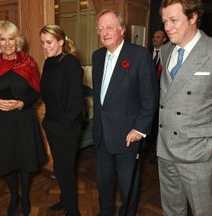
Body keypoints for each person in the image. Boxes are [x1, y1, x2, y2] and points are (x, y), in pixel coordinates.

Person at [157, 0, 212, 216]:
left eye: (174, 20)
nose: (167, 27)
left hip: (198, 154)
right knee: (172, 211)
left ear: (194, 16)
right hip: (164, 150)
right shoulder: (166, 50)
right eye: (164, 21)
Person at [0, 20, 47, 216]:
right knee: (7, 163)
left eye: (11, 39)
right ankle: (14, 195)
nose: (7, 44)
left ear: (17, 41)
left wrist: (22, 103)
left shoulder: (27, 62)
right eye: (2, 39)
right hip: (2, 122)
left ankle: (25, 197)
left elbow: (36, 90)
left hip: (24, 119)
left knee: (25, 162)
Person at [92, 9, 158, 215]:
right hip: (102, 134)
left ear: (122, 29)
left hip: (128, 136)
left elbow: (150, 98)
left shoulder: (139, 55)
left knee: (127, 187)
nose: (104, 32)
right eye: (100, 29)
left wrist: (140, 129)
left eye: (109, 27)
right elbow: (101, 99)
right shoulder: (97, 56)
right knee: (103, 184)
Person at [40, 24, 85, 216]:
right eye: (43, 43)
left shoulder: (71, 63)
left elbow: (76, 103)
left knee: (65, 170)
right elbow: (48, 93)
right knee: (59, 167)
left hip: (67, 126)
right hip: (52, 123)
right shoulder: (49, 62)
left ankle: (73, 211)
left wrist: (61, 127)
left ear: (60, 41)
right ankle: (64, 200)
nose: (45, 46)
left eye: (49, 42)